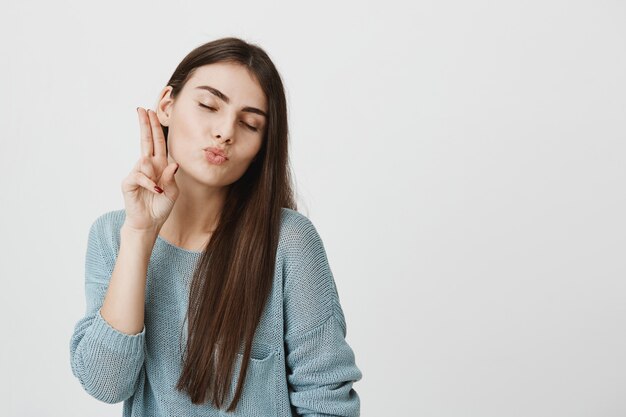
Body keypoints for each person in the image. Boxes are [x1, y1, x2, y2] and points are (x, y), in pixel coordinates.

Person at [68, 36, 362, 417]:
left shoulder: (288, 243)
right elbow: (106, 383)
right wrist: (140, 236)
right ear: (167, 106)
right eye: (208, 105)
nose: (225, 131)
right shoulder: (113, 235)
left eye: (250, 123)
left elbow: (327, 403)